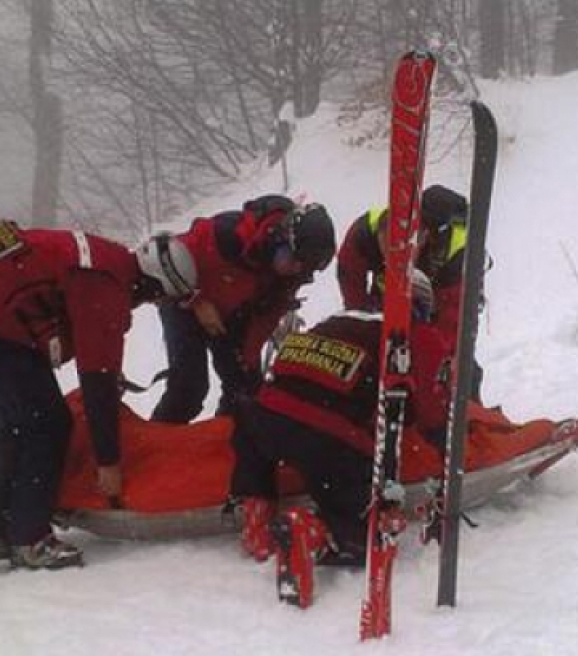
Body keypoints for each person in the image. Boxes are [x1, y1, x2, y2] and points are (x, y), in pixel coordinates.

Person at [0, 223, 198, 569]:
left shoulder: (108, 262)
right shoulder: (106, 286)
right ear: (153, 283)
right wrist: (108, 462)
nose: (155, 304)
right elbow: (97, 380)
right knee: (46, 424)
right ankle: (29, 538)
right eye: (161, 297)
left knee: (18, 422)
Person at [229, 271, 450, 607]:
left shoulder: (338, 318)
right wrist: (443, 444)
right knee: (371, 531)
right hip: (328, 433)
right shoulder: (415, 335)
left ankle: (256, 520)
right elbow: (432, 410)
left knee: (256, 449)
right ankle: (313, 532)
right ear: (421, 307)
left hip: (262, 416)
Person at [150, 196, 336, 423]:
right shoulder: (225, 234)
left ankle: (227, 445)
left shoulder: (293, 273)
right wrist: (196, 301)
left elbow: (265, 319)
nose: (294, 270)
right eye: (293, 260)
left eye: (303, 267)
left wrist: (246, 365)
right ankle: (157, 445)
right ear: (281, 239)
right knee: (189, 389)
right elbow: (168, 259)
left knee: (245, 392)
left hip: (235, 310)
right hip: (183, 299)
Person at [336, 184, 470, 338]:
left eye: (397, 255)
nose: (389, 260)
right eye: (385, 252)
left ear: (422, 238)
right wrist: (363, 328)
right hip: (386, 299)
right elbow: (350, 283)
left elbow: (451, 329)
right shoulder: (363, 233)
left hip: (443, 295)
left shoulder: (455, 255)